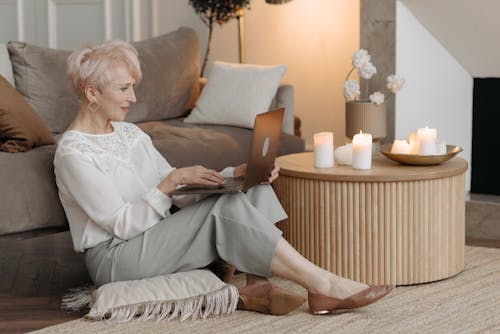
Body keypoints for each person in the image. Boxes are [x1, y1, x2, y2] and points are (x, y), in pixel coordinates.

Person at [54, 40, 393, 316]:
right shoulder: (73, 154)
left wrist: (234, 176)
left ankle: (259, 286)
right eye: (124, 88)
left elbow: (178, 193)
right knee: (222, 211)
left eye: (133, 87)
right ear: (92, 93)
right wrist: (168, 183)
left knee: (251, 191)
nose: (133, 98)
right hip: (115, 257)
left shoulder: (130, 134)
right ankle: (323, 285)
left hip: (152, 234)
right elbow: (123, 224)